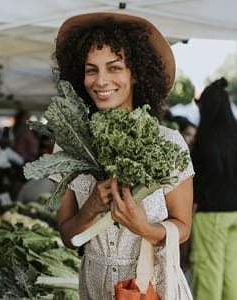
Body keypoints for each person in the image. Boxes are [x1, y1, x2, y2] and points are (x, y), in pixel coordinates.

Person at [50, 13, 194, 299]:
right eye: (91, 70)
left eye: (114, 68)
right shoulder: (67, 148)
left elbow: (184, 227)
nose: (101, 80)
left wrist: (145, 228)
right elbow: (68, 237)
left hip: (153, 287)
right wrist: (90, 207)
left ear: (136, 72)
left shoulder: (169, 142)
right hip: (94, 287)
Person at [191, 78, 237, 300]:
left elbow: (209, 172)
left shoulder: (208, 136)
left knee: (208, 270)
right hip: (234, 212)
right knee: (231, 272)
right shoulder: (234, 133)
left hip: (211, 213)